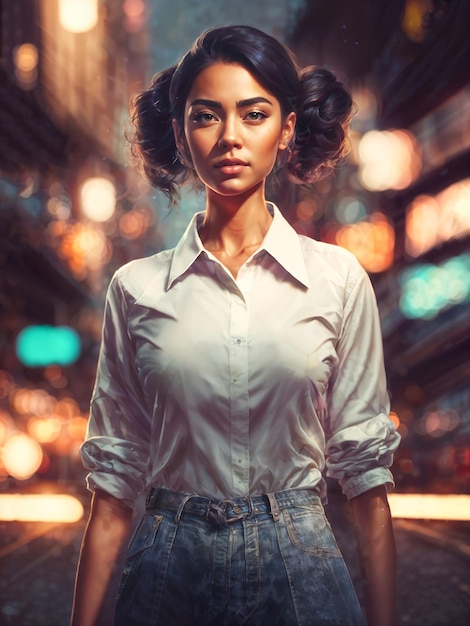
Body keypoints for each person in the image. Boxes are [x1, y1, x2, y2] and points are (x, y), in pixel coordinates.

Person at [70, 25, 400, 626]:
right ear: (180, 132)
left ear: (288, 127)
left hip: (301, 566)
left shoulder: (339, 279)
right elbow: (113, 491)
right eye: (206, 117)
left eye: (253, 114)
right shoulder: (135, 289)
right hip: (169, 568)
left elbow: (366, 477)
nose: (230, 139)